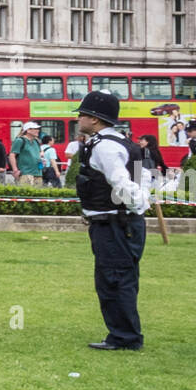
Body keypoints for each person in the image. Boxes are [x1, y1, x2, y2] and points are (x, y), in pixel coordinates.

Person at [73, 90, 150, 350]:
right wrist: (139, 207)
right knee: (123, 279)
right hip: (123, 222)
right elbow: (143, 178)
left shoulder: (104, 146)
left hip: (114, 222)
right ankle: (123, 333)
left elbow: (121, 182)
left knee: (113, 280)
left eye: (82, 114)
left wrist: (131, 208)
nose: (79, 119)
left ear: (94, 119)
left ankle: (124, 337)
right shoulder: (128, 144)